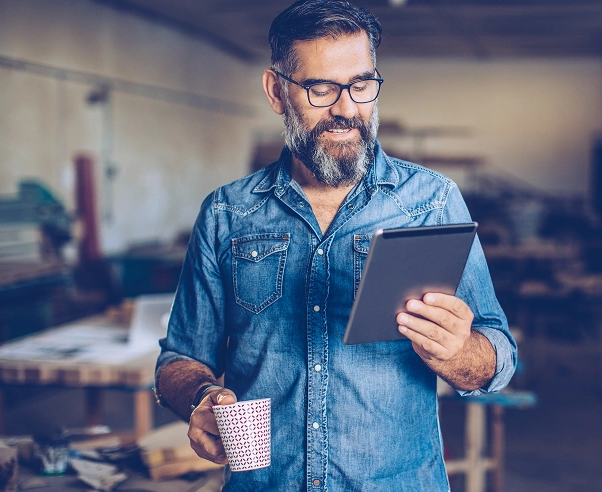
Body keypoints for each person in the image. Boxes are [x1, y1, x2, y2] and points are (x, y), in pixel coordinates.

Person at [153, 0, 517, 489]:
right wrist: (199, 398)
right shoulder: (227, 213)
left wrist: (459, 352)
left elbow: (498, 356)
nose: (346, 109)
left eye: (362, 85)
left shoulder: (430, 202)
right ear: (277, 91)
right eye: (321, 88)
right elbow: (179, 358)